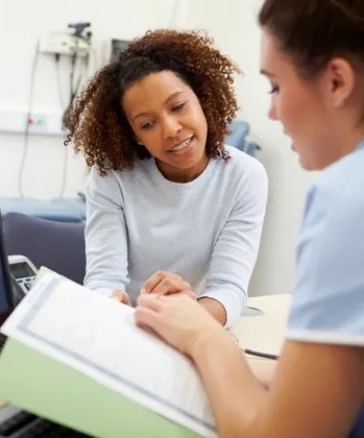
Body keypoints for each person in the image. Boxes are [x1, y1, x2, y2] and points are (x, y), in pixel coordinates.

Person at [135, 1, 364, 437]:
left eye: (275, 86)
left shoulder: (347, 200)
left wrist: (204, 336)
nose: (273, 112)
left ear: (336, 82)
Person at [65, 29, 268, 327]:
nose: (171, 129)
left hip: (194, 326)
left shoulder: (245, 177)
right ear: (134, 135)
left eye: (178, 106)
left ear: (202, 97)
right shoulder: (112, 176)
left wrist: (185, 319)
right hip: (127, 328)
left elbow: (229, 288)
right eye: (148, 124)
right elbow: (104, 277)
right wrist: (109, 304)